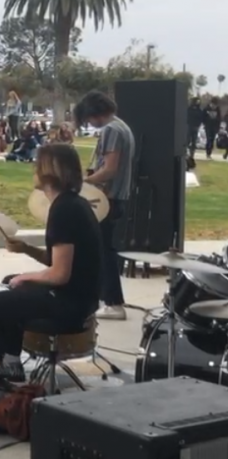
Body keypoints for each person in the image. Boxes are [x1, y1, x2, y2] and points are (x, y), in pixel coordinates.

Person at [0, 144, 103, 405]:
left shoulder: (64, 210)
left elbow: (60, 274)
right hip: (80, 297)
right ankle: (9, 363)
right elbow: (62, 261)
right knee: (10, 284)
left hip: (69, 303)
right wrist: (27, 250)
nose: (33, 169)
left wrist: (26, 278)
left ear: (49, 171)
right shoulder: (74, 204)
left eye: (37, 165)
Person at [79, 91, 135, 320]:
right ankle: (107, 298)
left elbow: (110, 169)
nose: (90, 123)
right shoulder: (123, 126)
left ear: (95, 113)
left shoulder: (111, 129)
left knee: (104, 252)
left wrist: (84, 181)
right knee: (105, 249)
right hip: (117, 196)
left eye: (88, 118)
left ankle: (113, 303)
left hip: (108, 197)